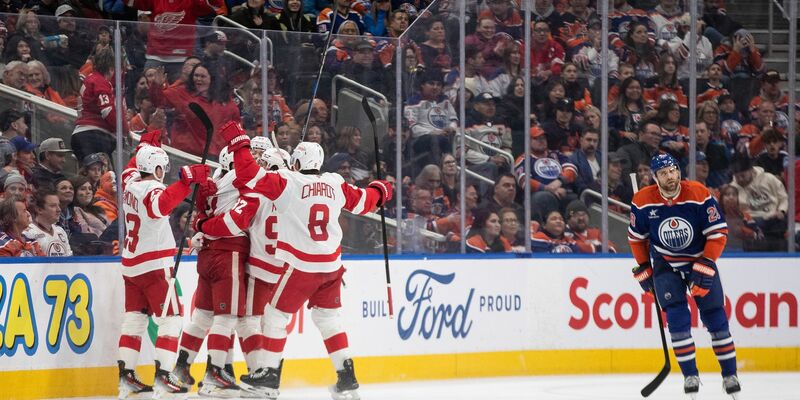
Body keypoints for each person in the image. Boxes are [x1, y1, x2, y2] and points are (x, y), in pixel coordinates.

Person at [214, 122, 391, 399]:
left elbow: (249, 174)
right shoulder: (335, 182)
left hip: (302, 266)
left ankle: (269, 376)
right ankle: (347, 377)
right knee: (328, 319)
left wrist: (239, 142)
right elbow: (366, 202)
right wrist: (382, 189)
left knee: (274, 316)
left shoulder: (289, 182)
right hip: (332, 267)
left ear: (296, 161)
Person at [628, 153, 740, 398]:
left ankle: (729, 375)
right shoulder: (643, 200)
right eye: (664, 173)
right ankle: (690, 375)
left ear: (679, 171)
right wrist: (644, 266)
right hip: (665, 264)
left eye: (673, 171)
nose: (671, 176)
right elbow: (637, 239)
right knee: (677, 321)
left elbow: (719, 233)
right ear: (655, 177)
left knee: (715, 318)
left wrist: (707, 262)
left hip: (699, 260)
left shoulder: (698, 193)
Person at [117, 131, 212, 398]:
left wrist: (145, 145)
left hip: (131, 264)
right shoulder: (153, 188)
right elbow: (160, 206)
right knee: (171, 319)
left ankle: (126, 377)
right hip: (153, 265)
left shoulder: (129, 182)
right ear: (157, 169)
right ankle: (163, 375)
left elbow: (130, 167)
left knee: (134, 319)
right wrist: (185, 181)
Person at [71, 48, 126, 161]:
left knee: (92, 175)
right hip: (93, 136)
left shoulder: (90, 79)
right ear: (111, 69)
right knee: (107, 176)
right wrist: (125, 130)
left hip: (82, 133)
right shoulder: (100, 82)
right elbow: (108, 111)